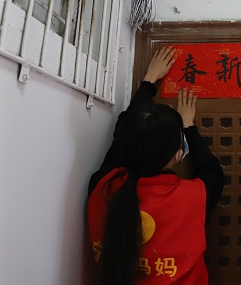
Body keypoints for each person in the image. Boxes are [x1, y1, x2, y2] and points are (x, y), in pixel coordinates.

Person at [87, 46, 224, 285]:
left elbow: (124, 131)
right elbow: (212, 170)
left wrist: (149, 81)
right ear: (179, 155)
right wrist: (189, 126)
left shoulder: (103, 186)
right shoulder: (192, 197)